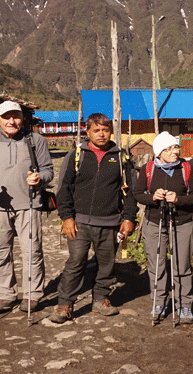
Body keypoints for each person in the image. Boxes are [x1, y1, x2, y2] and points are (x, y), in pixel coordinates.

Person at [48, 113, 138, 324]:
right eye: (96, 130)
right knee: (76, 262)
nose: (101, 134)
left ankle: (101, 299)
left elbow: (131, 192)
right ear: (87, 132)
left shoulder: (122, 158)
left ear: (111, 132)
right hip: (79, 223)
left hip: (110, 222)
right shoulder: (77, 156)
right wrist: (66, 217)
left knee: (106, 264)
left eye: (105, 130)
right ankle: (64, 305)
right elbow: (64, 188)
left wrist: (128, 218)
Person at [0, 100, 53, 314]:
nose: (11, 121)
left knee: (32, 251)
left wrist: (40, 178)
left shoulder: (35, 140)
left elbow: (48, 170)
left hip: (29, 205)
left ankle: (32, 295)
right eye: (6, 117)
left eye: (15, 116)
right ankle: (6, 295)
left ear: (22, 118)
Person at [133, 132, 193, 324]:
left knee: (182, 265)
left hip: (182, 221)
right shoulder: (149, 169)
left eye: (176, 147)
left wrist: (178, 199)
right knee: (156, 265)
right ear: (159, 152)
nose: (174, 151)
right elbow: (137, 194)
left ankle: (184, 305)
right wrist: (153, 197)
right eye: (168, 149)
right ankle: (158, 302)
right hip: (155, 222)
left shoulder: (187, 168)